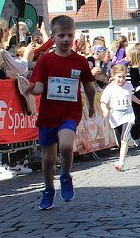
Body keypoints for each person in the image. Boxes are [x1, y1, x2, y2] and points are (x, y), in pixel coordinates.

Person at [25, 15, 96, 210]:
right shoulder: (46, 60)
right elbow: (39, 86)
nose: (66, 40)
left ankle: (65, 174)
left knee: (65, 146)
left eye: (69, 35)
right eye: (61, 35)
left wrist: (91, 105)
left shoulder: (80, 61)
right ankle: (48, 189)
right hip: (48, 114)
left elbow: (89, 86)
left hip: (69, 113)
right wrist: (31, 90)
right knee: (47, 159)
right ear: (53, 37)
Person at [100, 64, 140, 171]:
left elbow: (131, 96)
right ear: (113, 76)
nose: (121, 80)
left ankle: (121, 161)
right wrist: (105, 110)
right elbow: (103, 102)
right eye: (119, 77)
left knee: (124, 138)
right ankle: (129, 141)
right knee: (119, 141)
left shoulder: (128, 86)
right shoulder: (110, 89)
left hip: (128, 115)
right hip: (115, 117)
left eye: (123, 77)